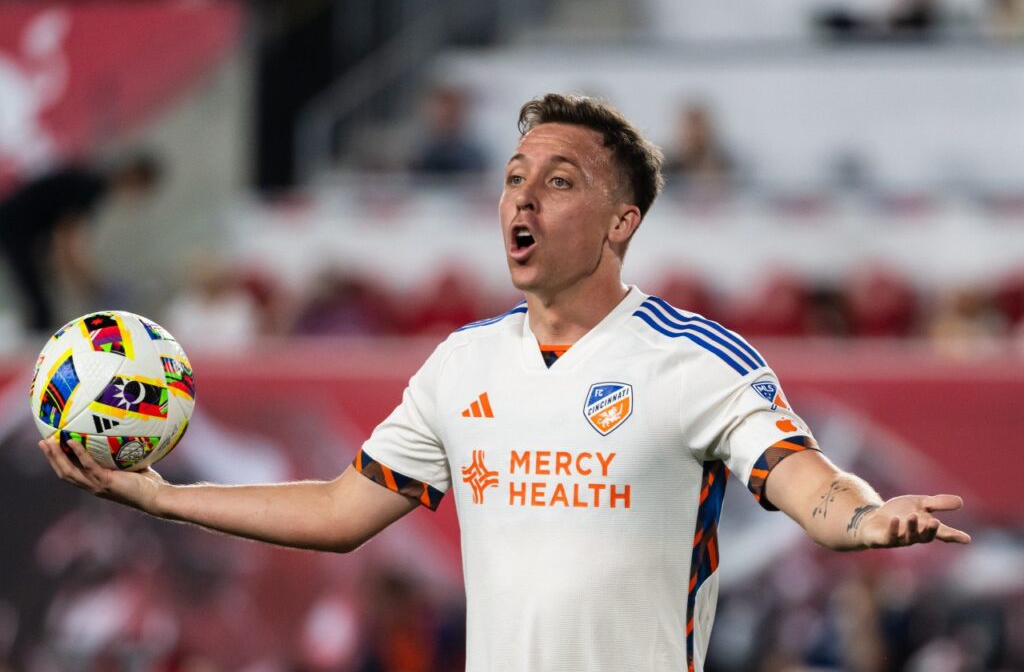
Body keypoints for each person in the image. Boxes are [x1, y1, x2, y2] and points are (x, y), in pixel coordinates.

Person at [38, 94, 970, 672]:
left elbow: (808, 479)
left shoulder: (695, 361)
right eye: (515, 176)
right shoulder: (462, 363)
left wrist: (863, 519)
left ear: (620, 224)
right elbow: (337, 510)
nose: (522, 198)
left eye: (559, 182)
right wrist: (168, 499)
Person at [0, 152, 162, 332]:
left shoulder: (89, 181)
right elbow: (66, 244)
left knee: (40, 293)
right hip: (14, 225)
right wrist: (94, 286)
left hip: (24, 228)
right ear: (134, 176)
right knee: (38, 298)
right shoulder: (90, 187)